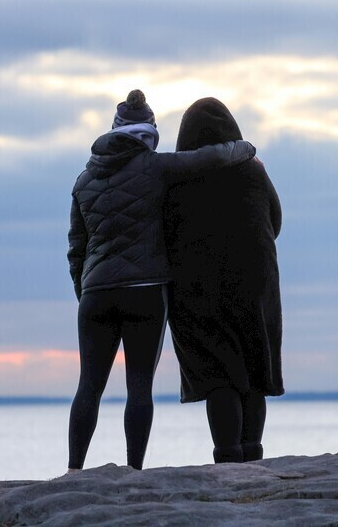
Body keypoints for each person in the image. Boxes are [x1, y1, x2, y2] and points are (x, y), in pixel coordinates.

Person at [66, 90, 256, 472]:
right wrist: (245, 148)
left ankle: (73, 472)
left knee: (89, 386)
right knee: (139, 387)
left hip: (95, 295)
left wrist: (84, 290)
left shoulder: (84, 181)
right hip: (145, 293)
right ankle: (134, 472)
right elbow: (210, 157)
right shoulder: (153, 167)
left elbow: (76, 248)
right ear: (149, 133)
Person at [163, 97, 283, 464]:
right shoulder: (253, 170)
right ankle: (253, 455)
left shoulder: (178, 177)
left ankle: (228, 457)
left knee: (219, 372)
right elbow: (274, 221)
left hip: (198, 288)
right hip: (255, 283)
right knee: (254, 370)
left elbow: (163, 232)